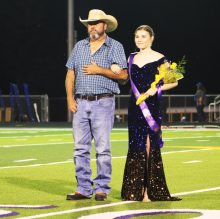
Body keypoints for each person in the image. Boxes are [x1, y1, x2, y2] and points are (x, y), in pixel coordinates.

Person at [65, 9, 128, 201]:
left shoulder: (115, 47)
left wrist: (99, 70)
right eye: (89, 23)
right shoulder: (79, 47)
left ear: (105, 26)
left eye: (96, 23)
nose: (92, 26)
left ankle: (102, 188)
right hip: (81, 102)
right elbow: (70, 74)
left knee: (103, 149)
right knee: (80, 148)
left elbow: (124, 76)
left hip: (103, 102)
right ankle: (83, 188)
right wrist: (69, 98)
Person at [121, 25, 181, 202]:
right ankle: (134, 191)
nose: (139, 39)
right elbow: (126, 80)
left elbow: (174, 81)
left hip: (151, 107)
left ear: (151, 38)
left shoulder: (160, 58)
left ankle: (149, 191)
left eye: (143, 36)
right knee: (136, 146)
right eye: (137, 36)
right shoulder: (131, 58)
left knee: (148, 145)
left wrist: (157, 88)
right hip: (134, 107)